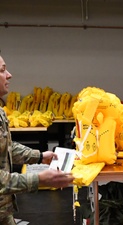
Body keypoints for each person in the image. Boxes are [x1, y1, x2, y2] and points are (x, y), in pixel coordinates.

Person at [0, 55, 74, 225]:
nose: (9, 75)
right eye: (3, 70)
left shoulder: (0, 113)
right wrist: (39, 179)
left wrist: (40, 156)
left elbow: (7, 147)